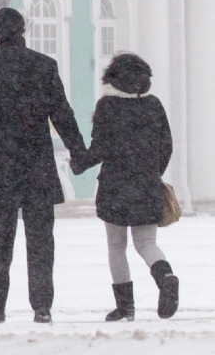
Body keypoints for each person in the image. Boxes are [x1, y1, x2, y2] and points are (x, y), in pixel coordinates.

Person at [0, 7, 87, 325]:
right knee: (41, 238)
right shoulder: (43, 66)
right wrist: (78, 151)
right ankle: (42, 306)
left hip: (4, 167)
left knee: (1, 236)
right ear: (23, 30)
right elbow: (62, 114)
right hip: (38, 166)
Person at [75, 53, 179, 320]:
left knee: (116, 245)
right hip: (147, 184)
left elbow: (100, 148)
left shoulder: (108, 106)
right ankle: (165, 275)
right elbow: (166, 145)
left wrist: (80, 163)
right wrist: (153, 172)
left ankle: (125, 307)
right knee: (146, 243)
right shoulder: (153, 105)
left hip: (115, 187)